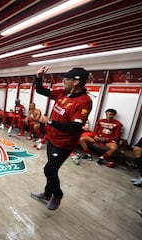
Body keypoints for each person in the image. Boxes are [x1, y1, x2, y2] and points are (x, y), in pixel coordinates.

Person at [31, 66, 92, 210]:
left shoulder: (84, 101)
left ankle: (57, 195)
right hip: (52, 138)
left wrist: (49, 121)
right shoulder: (63, 93)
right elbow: (41, 90)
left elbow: (75, 127)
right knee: (52, 169)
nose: (63, 80)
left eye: (67, 79)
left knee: (49, 170)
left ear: (76, 82)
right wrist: (39, 77)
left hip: (64, 143)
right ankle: (47, 194)